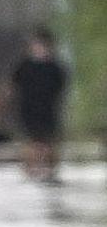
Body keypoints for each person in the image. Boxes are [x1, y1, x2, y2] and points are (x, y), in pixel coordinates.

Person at [12, 28, 70, 181]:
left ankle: (51, 171)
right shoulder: (24, 66)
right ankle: (30, 172)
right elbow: (16, 85)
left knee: (49, 141)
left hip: (48, 109)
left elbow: (61, 87)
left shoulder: (55, 67)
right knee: (31, 141)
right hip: (29, 109)